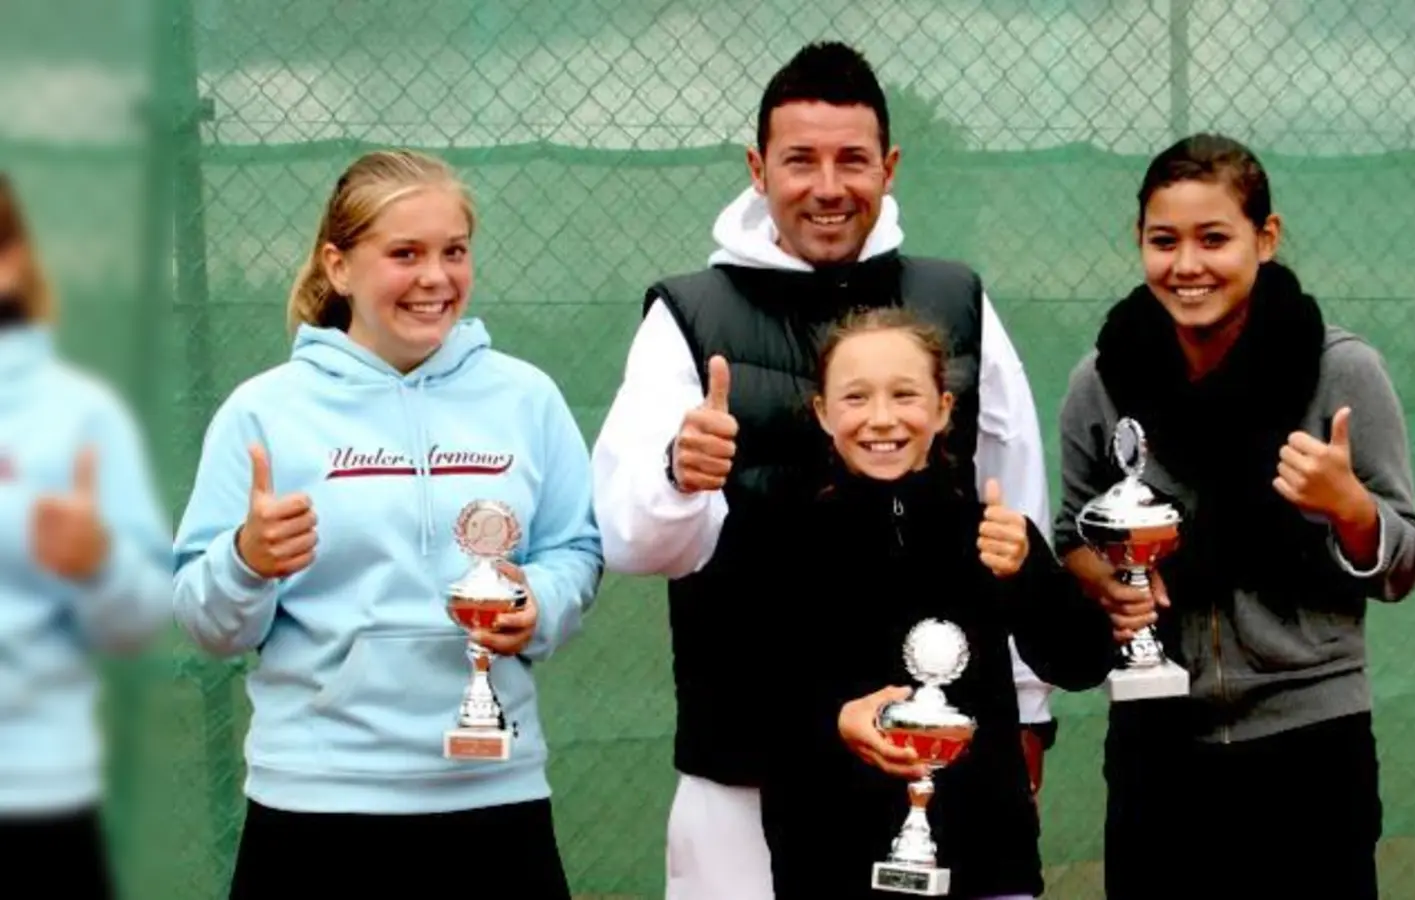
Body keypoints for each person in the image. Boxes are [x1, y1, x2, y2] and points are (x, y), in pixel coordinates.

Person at [589, 41, 1058, 899]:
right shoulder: (687, 317)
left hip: (937, 768)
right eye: (800, 160)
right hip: (747, 764)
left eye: (853, 159)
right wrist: (678, 476)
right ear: (758, 167)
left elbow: (1013, 507)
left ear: (891, 166)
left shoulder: (956, 300)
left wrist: (1027, 709)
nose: (829, 187)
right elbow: (628, 537)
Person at [171, 150, 603, 898]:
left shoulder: (526, 399)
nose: (436, 278)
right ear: (339, 267)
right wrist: (247, 561)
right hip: (314, 804)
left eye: (454, 251)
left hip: (494, 798)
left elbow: (575, 551)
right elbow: (205, 623)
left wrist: (537, 603)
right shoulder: (263, 412)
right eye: (405, 253)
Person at [1052, 134, 1415, 900]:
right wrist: (1109, 582)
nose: (1187, 266)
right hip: (1157, 745)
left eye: (1214, 238)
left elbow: (1406, 562)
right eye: (1165, 241)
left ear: (1267, 236)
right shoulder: (1101, 379)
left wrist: (1350, 508)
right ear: (1140, 243)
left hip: (1311, 741)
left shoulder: (1342, 370)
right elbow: (1071, 540)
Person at [730, 308, 1114, 900]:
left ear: (942, 408)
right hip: (829, 862)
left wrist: (1028, 575)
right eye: (855, 398)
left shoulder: (994, 533)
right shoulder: (773, 538)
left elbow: (1083, 662)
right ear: (823, 413)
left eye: (904, 395)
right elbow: (741, 706)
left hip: (987, 861)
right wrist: (834, 722)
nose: (881, 419)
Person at [0, 173, 172, 897]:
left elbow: (140, 622)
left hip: (32, 804)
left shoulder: (77, 414)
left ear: (11, 262)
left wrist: (99, 563)